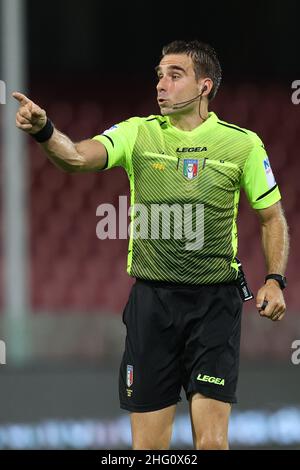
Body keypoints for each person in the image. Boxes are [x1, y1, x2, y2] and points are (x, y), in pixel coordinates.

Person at [13, 40, 289, 450]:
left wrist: (274, 279)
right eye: (159, 75)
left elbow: (273, 218)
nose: (161, 84)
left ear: (204, 86)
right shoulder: (137, 133)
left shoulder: (242, 145)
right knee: (148, 450)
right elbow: (74, 157)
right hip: (152, 307)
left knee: (212, 443)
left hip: (215, 305)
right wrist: (44, 130)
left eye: (175, 76)